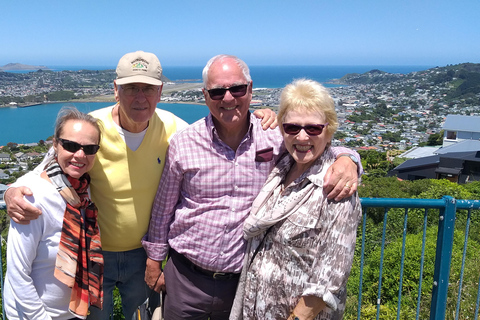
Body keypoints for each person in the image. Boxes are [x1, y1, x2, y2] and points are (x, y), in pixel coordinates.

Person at [4, 51, 276, 319]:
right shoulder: (92, 128)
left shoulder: (174, 129)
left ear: (159, 92)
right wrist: (14, 188)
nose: (140, 97)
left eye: (148, 89)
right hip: (94, 253)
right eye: (131, 88)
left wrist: (261, 115)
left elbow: (214, 136)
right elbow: (52, 164)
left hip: (143, 256)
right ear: (116, 90)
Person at [142, 55, 362, 320]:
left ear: (250, 89)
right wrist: (154, 262)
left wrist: (348, 158)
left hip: (242, 284)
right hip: (187, 277)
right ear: (205, 95)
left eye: (237, 89)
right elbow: (164, 207)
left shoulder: (274, 135)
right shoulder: (184, 142)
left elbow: (312, 141)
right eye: (217, 91)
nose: (228, 98)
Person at [230, 79, 362, 320]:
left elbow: (330, 279)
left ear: (329, 129)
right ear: (282, 129)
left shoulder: (335, 188)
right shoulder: (281, 167)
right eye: (292, 128)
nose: (302, 137)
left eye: (313, 129)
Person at [3, 107, 103, 320]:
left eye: (90, 148)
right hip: (34, 315)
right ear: (55, 145)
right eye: (70, 145)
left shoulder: (82, 191)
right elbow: (17, 274)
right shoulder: (32, 196)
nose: (80, 155)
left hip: (74, 312)